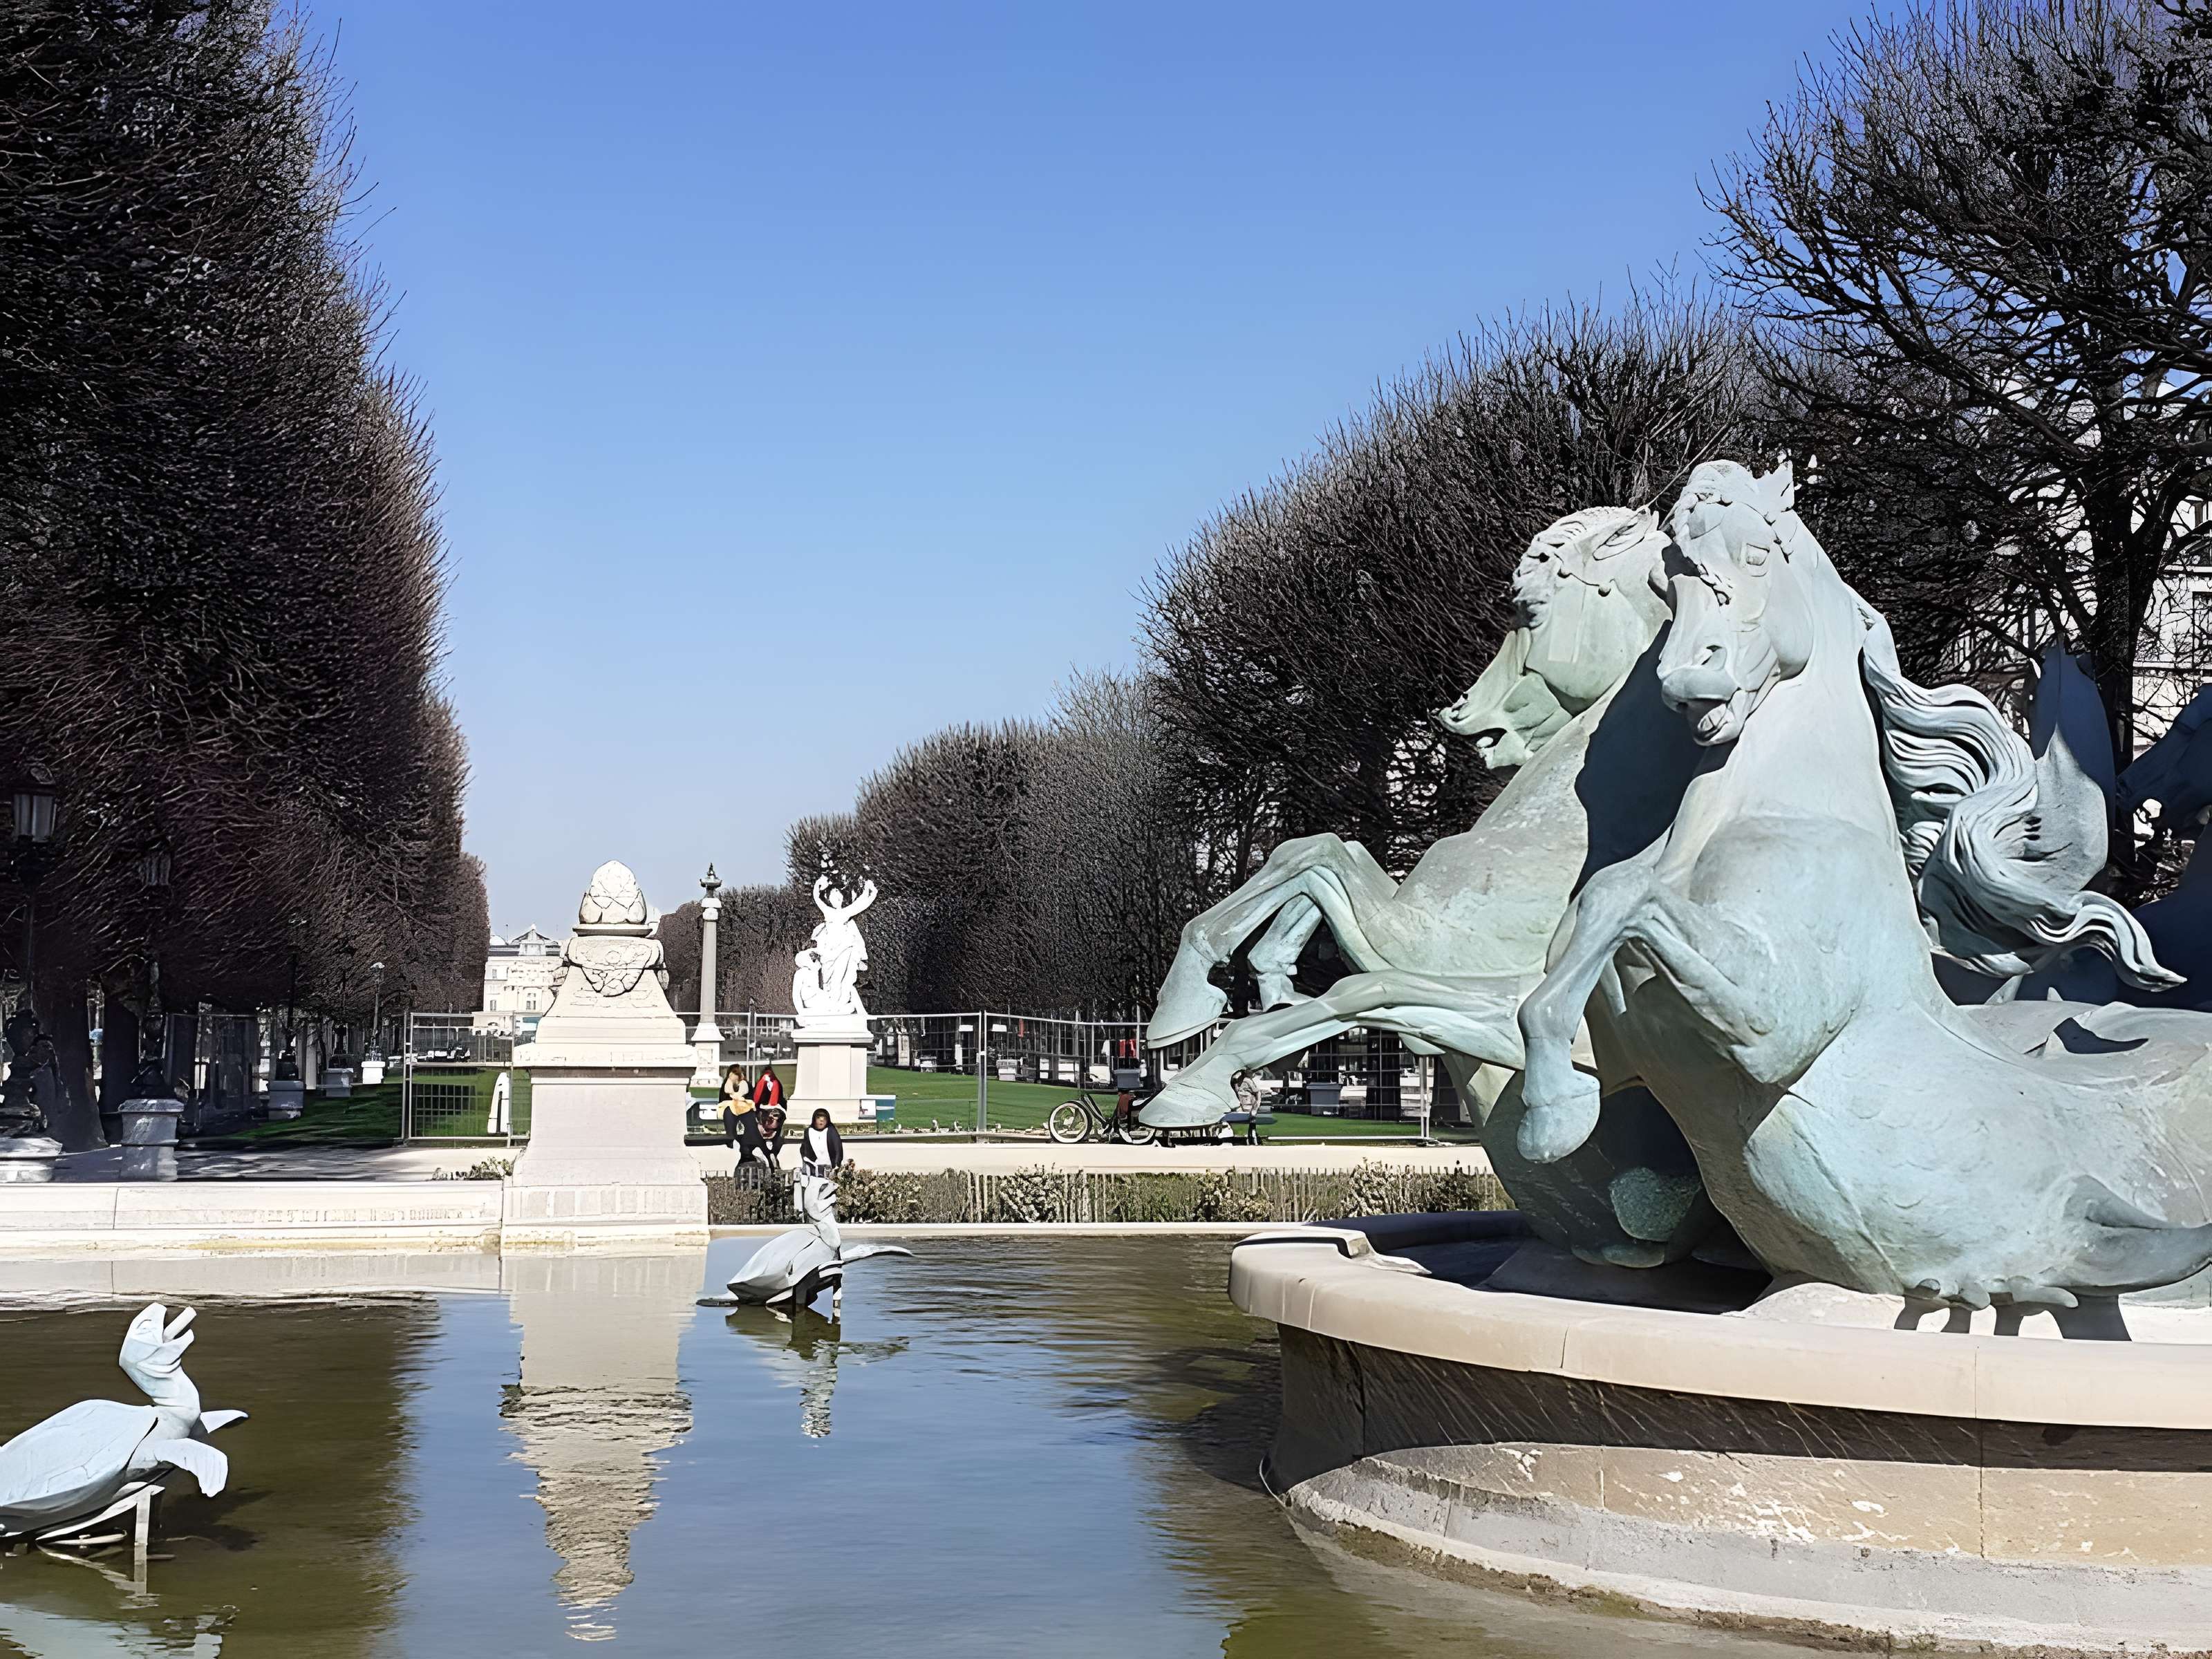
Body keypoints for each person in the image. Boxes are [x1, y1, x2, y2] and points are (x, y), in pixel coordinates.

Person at [800, 1107, 843, 1177]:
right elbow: (804, 1149)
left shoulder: (831, 1131)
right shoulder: (809, 1131)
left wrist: (837, 1165)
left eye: (824, 1119)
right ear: (814, 1119)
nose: (821, 1121)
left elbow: (838, 1149)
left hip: (829, 1168)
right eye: (819, 1118)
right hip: (814, 1168)